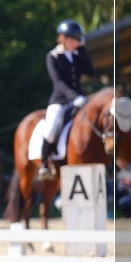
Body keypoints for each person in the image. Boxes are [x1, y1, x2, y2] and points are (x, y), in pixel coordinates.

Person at [37, 19, 94, 180]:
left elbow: (90, 71)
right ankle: (44, 163)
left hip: (80, 99)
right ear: (62, 38)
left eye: (78, 39)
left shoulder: (77, 56)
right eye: (74, 39)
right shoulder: (53, 56)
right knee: (50, 130)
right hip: (60, 100)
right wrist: (74, 97)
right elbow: (58, 82)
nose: (76, 42)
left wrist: (82, 51)